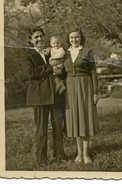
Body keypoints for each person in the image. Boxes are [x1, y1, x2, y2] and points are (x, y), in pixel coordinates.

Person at [23, 26, 64, 167]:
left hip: (56, 94)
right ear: (30, 40)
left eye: (41, 36)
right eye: (36, 37)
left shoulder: (50, 52)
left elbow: (61, 66)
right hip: (39, 97)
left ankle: (60, 157)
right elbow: (31, 73)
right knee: (41, 129)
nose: (40, 39)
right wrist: (50, 66)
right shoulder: (27, 55)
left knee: (58, 126)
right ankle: (41, 160)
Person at [64, 28, 99, 164]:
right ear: (68, 39)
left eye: (76, 37)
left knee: (84, 118)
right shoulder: (64, 53)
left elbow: (93, 72)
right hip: (70, 88)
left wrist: (95, 92)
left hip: (85, 86)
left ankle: (86, 153)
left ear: (81, 38)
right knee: (75, 120)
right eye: (71, 37)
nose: (74, 40)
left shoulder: (87, 51)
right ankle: (78, 154)